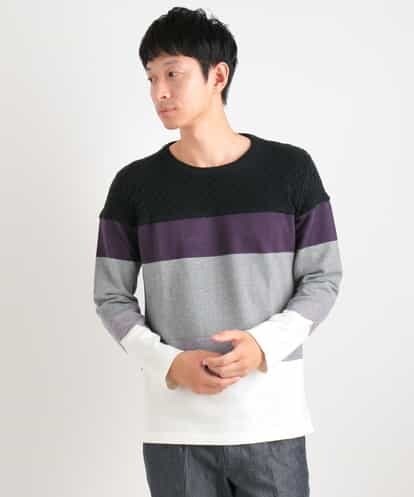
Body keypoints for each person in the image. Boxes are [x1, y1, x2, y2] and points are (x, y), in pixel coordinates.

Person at [93, 6, 343, 497]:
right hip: (177, 431)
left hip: (271, 423)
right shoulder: (134, 186)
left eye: (173, 73)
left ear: (218, 76)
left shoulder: (290, 170)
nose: (158, 92)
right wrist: (168, 363)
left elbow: (323, 278)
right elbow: (110, 296)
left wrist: (262, 346)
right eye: (151, 78)